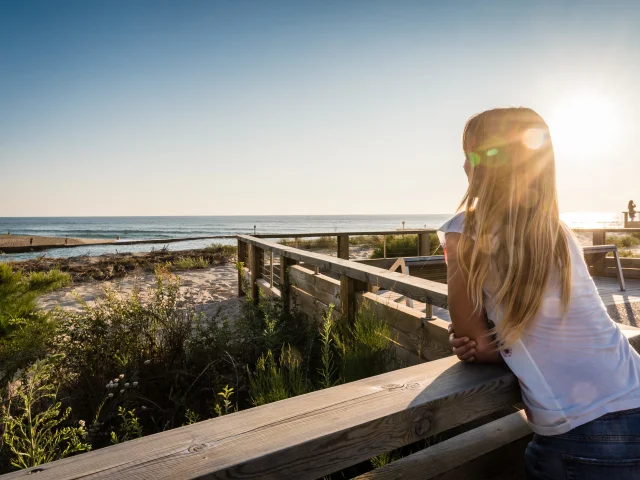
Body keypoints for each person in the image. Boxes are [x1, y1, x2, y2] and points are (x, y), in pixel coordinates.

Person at [441, 107, 640, 479]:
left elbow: (478, 344)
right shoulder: (558, 232)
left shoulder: (464, 229)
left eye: (468, 154)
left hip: (581, 433)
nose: (464, 165)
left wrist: (478, 341)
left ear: (481, 164)